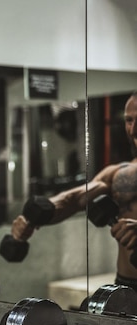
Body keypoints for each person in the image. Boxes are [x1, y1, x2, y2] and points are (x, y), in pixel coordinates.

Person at [10, 91, 137, 291]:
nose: (134, 129)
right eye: (129, 120)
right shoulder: (119, 174)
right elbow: (73, 199)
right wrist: (34, 217)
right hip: (125, 287)